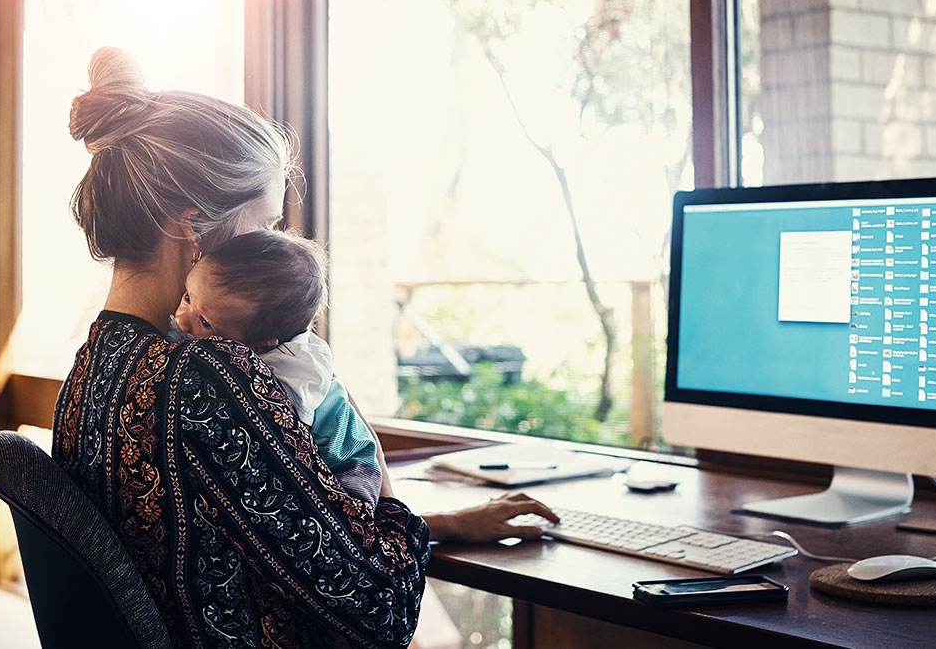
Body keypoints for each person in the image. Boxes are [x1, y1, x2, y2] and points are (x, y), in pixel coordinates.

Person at [51, 46, 558, 649]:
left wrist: (438, 526)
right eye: (263, 226)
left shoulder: (95, 366)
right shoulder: (208, 379)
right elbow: (380, 610)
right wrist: (373, 466)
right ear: (191, 225)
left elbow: (265, 532)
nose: (271, 248)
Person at [166, 228, 383, 508]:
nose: (183, 320)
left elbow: (285, 429)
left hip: (349, 462)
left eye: (205, 323)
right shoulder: (227, 337)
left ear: (261, 344)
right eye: (187, 297)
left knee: (354, 508)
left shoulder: (294, 372)